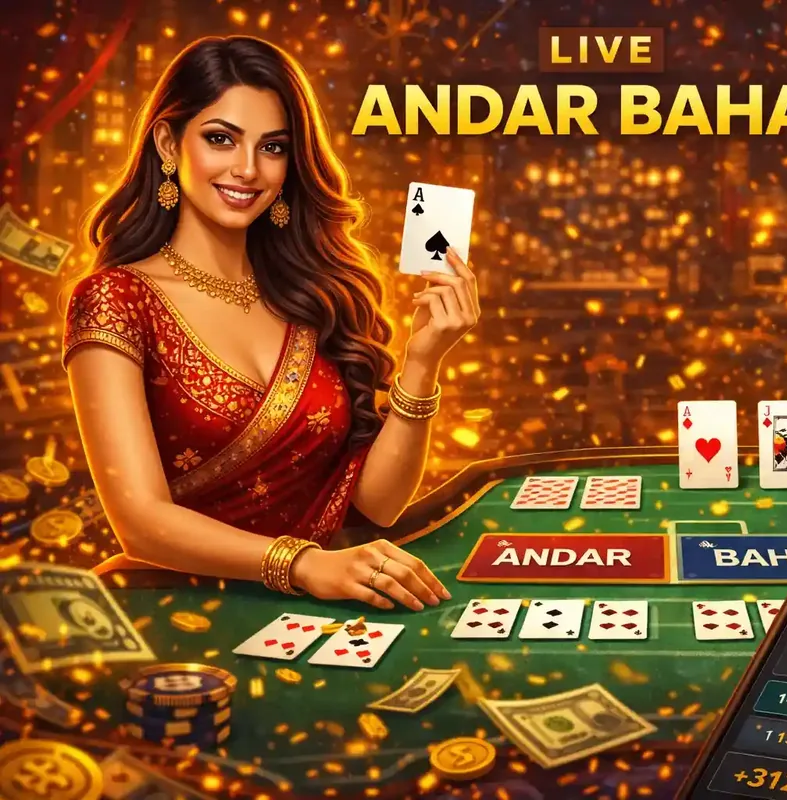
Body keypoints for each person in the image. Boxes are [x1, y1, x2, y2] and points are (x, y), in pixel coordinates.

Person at [64, 36, 477, 613]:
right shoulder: (116, 299)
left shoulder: (312, 295)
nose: (248, 169)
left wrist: (424, 360)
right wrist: (304, 565)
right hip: (177, 608)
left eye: (273, 147)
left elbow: (376, 506)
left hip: (321, 613)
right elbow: (140, 522)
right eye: (220, 138)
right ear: (167, 140)